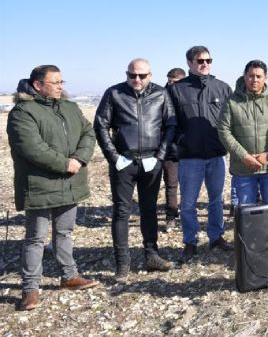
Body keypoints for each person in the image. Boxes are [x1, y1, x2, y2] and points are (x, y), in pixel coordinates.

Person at [7, 65, 99, 311]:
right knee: (36, 238)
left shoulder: (70, 107)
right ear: (38, 85)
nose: (60, 86)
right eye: (55, 82)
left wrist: (79, 159)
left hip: (70, 181)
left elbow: (88, 133)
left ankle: (69, 277)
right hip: (40, 184)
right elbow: (31, 148)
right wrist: (64, 164)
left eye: (61, 81)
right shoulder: (22, 112)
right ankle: (30, 289)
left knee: (65, 232)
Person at [94, 58, 177, 282]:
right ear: (127, 74)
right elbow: (100, 125)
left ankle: (151, 255)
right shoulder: (114, 94)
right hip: (124, 162)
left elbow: (171, 125)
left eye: (142, 75)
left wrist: (160, 157)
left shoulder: (160, 94)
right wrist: (114, 157)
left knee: (149, 209)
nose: (137, 80)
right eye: (132, 75)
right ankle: (122, 263)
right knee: (121, 211)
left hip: (151, 162)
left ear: (150, 75)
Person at [218, 60, 268, 264]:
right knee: (246, 210)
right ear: (244, 76)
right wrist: (244, 156)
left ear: (265, 78)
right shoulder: (232, 102)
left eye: (259, 76)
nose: (254, 80)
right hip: (243, 169)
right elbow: (224, 130)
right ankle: (249, 249)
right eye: (251, 75)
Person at [168, 45, 233, 262]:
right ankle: (190, 241)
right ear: (189, 63)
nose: (205, 64)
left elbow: (230, 121)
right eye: (200, 61)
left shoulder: (222, 88)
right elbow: (170, 122)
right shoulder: (177, 89)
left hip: (216, 155)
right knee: (188, 202)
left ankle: (216, 237)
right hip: (190, 157)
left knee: (216, 200)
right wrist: (179, 144)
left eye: (208, 60)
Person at [162, 67, 186, 231]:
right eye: (169, 82)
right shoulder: (160, 97)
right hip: (169, 149)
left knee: (188, 185)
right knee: (171, 184)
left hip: (188, 149)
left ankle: (186, 214)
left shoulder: (189, 98)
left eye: (175, 82)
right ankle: (171, 216)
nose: (172, 85)